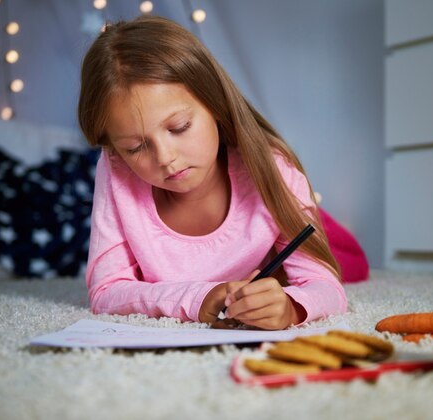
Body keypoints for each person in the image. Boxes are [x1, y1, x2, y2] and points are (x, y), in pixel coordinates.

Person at [77, 15, 347, 330]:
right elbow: (106, 291)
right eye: (135, 147)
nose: (166, 158)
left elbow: (326, 287)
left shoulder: (275, 169)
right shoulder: (115, 168)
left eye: (179, 128)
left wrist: (291, 307)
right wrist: (199, 298)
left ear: (215, 105)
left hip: (280, 209)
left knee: (349, 262)